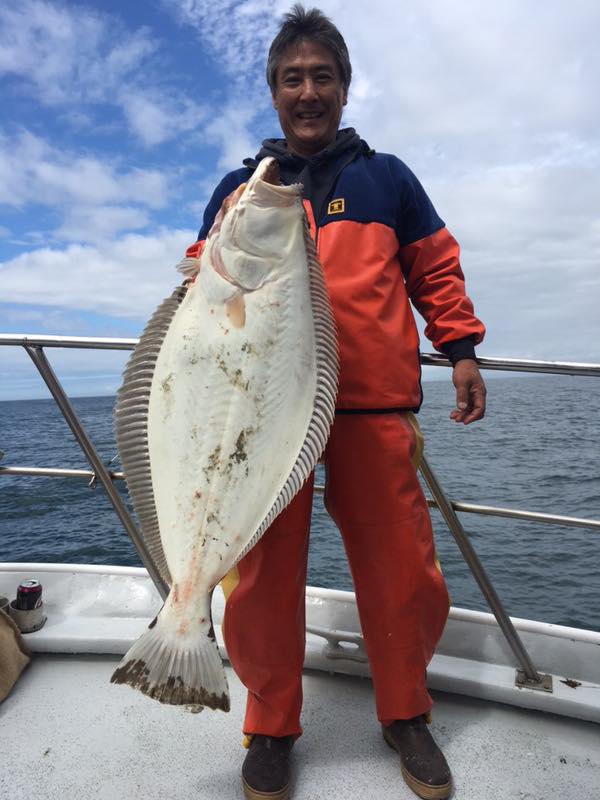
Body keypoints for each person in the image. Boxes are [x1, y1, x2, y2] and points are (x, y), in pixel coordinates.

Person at [184, 6, 486, 799]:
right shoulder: (240, 188)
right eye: (293, 78)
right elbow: (200, 281)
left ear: (345, 89)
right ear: (273, 92)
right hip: (267, 417)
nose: (308, 91)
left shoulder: (387, 179)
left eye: (323, 77)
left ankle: (406, 715)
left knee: (401, 572)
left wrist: (459, 349)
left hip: (372, 411)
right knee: (260, 579)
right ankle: (270, 726)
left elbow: (436, 271)